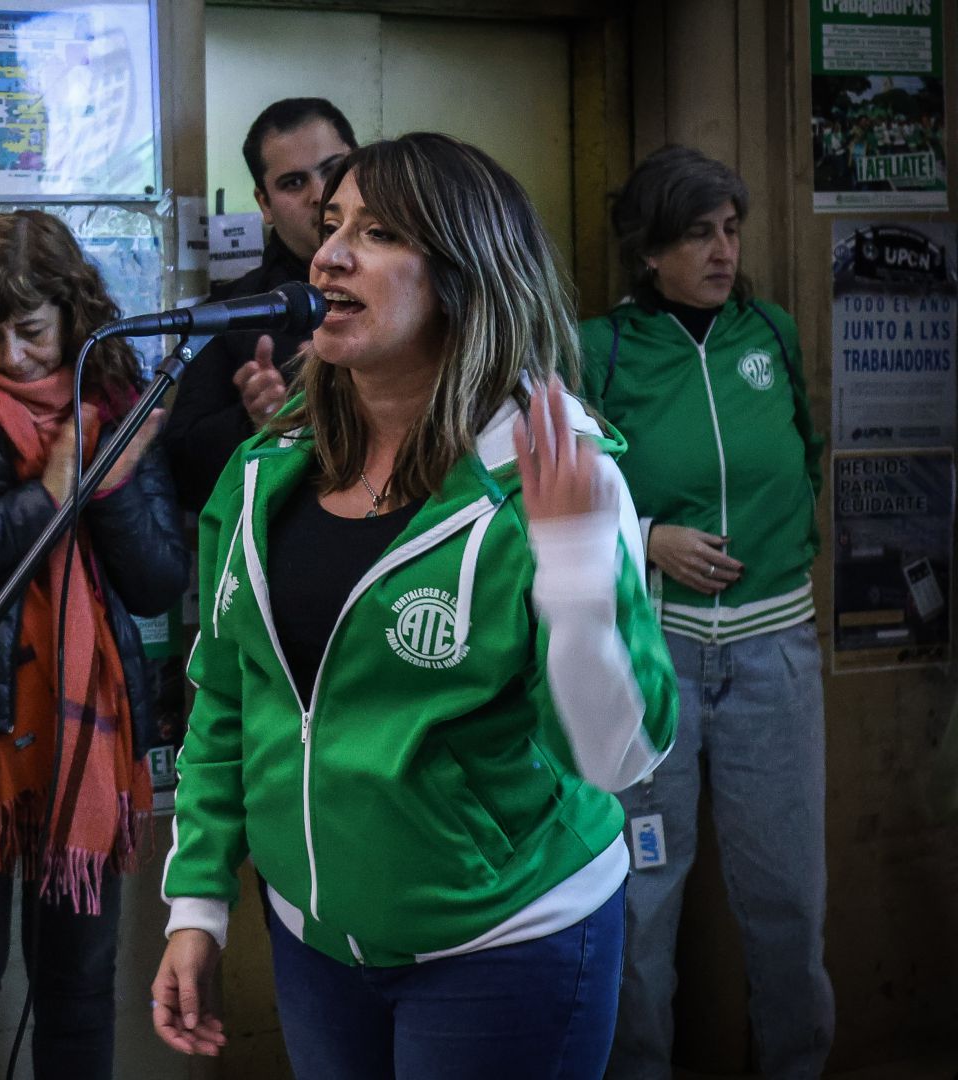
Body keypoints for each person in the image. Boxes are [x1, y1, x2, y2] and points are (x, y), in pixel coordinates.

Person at [151, 133, 679, 1079]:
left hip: (507, 940)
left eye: (379, 232)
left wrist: (572, 574)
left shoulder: (553, 474)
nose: (329, 256)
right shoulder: (268, 465)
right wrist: (197, 905)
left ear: (463, 278)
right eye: (330, 226)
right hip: (314, 941)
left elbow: (618, 754)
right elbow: (228, 697)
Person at [0, 210, 189, 1079]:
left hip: (85, 738)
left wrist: (106, 488)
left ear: (74, 315)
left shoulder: (118, 397)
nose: (14, 356)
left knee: (80, 983)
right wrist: (48, 496)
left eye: (30, 330)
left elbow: (157, 582)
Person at [582, 145, 832, 1080]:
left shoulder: (767, 330)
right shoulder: (597, 347)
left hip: (777, 657)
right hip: (655, 659)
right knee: (641, 901)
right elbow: (557, 500)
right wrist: (646, 537)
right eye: (697, 234)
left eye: (730, 230)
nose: (722, 251)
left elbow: (805, 459)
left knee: (788, 902)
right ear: (649, 250)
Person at [163, 97, 357, 511]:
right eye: (293, 183)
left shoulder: (418, 287)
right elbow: (181, 466)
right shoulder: (231, 312)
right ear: (264, 203)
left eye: (332, 169)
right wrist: (257, 421)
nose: (319, 195)